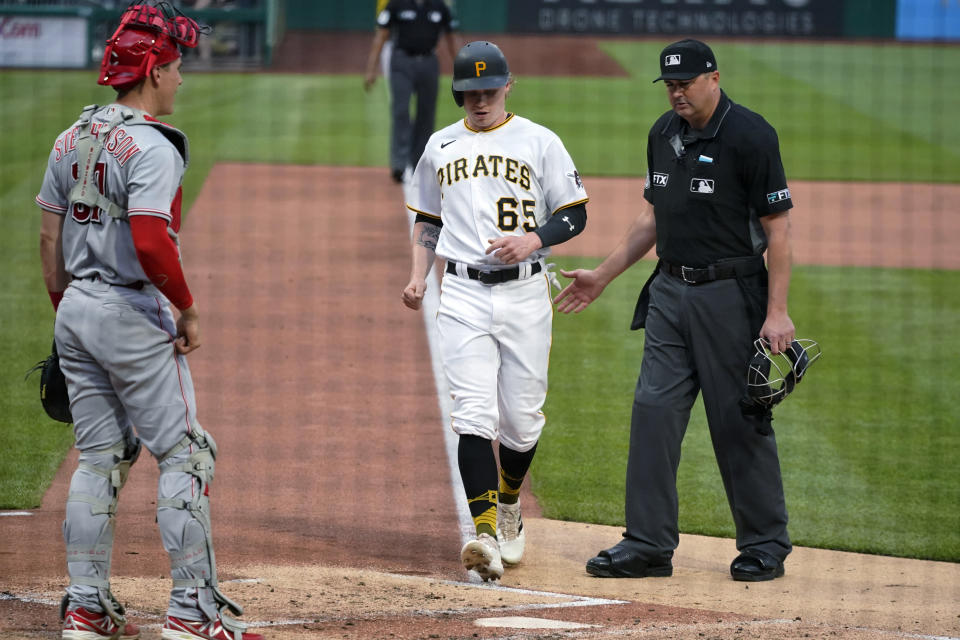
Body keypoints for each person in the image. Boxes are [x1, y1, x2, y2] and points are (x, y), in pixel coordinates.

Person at [36, 3, 265, 638]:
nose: (182, 79)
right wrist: (188, 308)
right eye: (177, 67)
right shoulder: (151, 145)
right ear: (153, 71)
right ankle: (191, 615)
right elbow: (151, 243)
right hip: (130, 311)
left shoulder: (69, 137)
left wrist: (70, 316)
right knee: (187, 455)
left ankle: (85, 608)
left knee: (98, 456)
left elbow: (49, 239)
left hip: (76, 308)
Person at [554, 39, 797, 583]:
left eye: (685, 82)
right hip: (668, 293)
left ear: (714, 77)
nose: (676, 93)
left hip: (730, 297)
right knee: (652, 413)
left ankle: (764, 543)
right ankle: (647, 543)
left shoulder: (751, 135)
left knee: (738, 418)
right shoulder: (663, 133)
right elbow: (652, 217)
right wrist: (602, 274)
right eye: (669, 84)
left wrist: (776, 311)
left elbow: (778, 231)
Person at [401, 41, 588, 582]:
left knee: (522, 423)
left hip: (526, 295)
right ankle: (483, 534)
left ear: (509, 85)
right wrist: (418, 276)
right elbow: (428, 221)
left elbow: (575, 214)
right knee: (474, 417)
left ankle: (509, 504)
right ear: (458, 93)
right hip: (460, 294)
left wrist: (534, 239)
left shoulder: (540, 141)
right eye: (469, 93)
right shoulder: (440, 145)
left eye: (489, 90)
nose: (479, 101)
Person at [363, 0, 458, 183]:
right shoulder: (397, 4)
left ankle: (419, 163)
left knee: (426, 114)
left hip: (429, 63)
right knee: (401, 111)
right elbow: (381, 35)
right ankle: (398, 164)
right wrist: (371, 69)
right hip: (401, 62)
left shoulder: (439, 7)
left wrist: (460, 68)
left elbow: (451, 38)